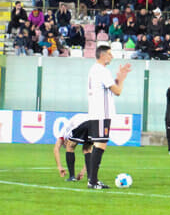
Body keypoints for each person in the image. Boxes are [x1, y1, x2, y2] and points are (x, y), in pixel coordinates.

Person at [85, 44, 132, 189]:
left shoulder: (94, 69)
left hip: (96, 112)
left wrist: (118, 78)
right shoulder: (102, 71)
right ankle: (92, 181)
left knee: (99, 144)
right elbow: (117, 91)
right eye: (110, 54)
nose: (112, 57)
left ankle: (93, 179)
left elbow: (110, 88)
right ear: (103, 55)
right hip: (102, 113)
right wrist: (122, 79)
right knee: (100, 145)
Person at [53, 113, 93, 181]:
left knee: (70, 147)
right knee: (87, 149)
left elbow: (56, 149)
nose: (65, 144)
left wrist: (60, 167)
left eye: (64, 145)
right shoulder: (69, 129)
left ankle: (72, 177)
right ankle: (90, 178)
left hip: (81, 123)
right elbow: (90, 154)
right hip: (92, 124)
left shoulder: (63, 132)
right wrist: (83, 172)